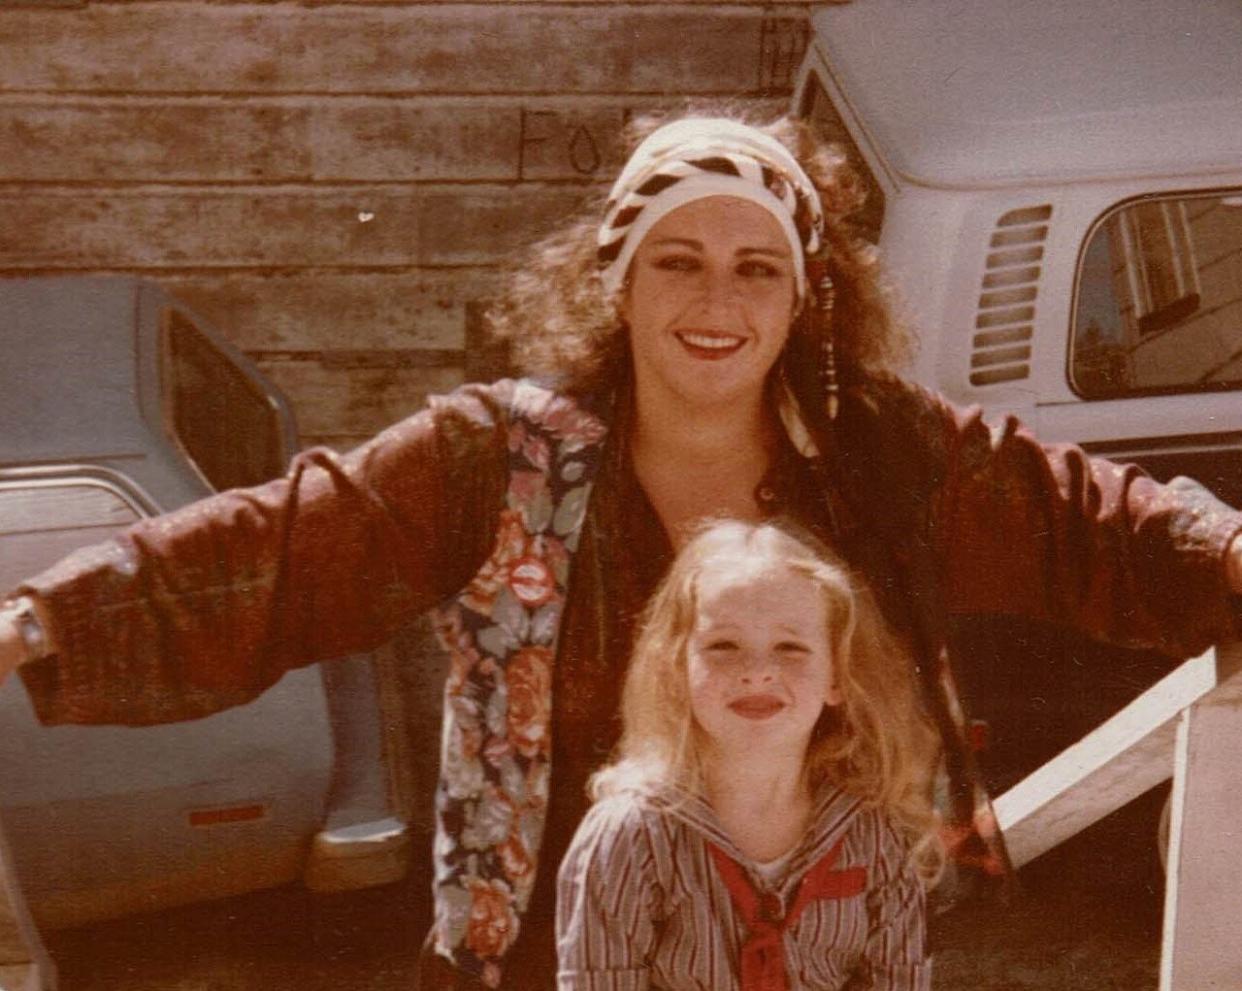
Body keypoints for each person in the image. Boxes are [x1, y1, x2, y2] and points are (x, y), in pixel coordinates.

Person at [3, 109, 1242, 990]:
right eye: (680, 262)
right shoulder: (490, 457)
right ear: (619, 279)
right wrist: (42, 621)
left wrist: (1227, 555)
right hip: (551, 951)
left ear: (805, 296)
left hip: (806, 944)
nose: (718, 303)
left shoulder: (881, 456)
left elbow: (1093, 523)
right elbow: (288, 548)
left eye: (758, 268)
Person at [556, 519, 940, 990]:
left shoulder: (872, 832)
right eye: (723, 646)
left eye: (790, 647)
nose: (757, 671)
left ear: (837, 677)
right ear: (676, 669)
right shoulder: (630, 837)